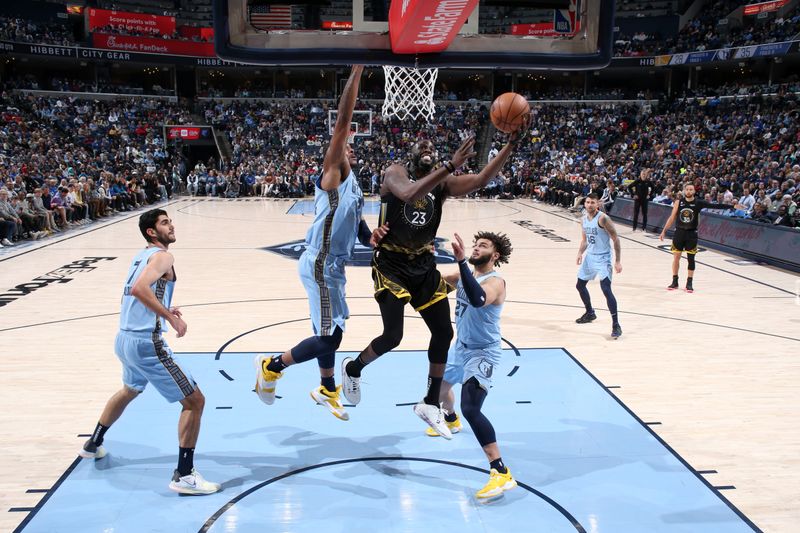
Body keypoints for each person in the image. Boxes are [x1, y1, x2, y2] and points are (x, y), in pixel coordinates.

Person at [341, 118, 530, 438]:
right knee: (393, 336)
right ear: (412, 155)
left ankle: (430, 402)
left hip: (423, 267)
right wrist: (448, 165)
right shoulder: (396, 172)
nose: (428, 150)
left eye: (433, 148)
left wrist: (511, 144)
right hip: (391, 265)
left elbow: (482, 178)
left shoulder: (443, 183)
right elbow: (410, 192)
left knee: (443, 333)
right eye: (423, 147)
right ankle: (353, 368)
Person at [254, 65, 387, 421]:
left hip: (333, 265)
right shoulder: (332, 172)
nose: (345, 146)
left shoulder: (353, 183)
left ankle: (327, 387)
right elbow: (343, 122)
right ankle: (271, 366)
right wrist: (356, 74)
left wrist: (369, 237)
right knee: (330, 340)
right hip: (319, 262)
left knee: (329, 328)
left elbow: (356, 221)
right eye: (342, 144)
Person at [79, 209, 221, 495]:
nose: (171, 225)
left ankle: (93, 443)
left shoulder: (141, 255)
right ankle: (184, 475)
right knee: (194, 401)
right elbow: (138, 289)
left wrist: (165, 308)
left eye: (170, 220)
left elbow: (143, 290)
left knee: (129, 389)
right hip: (147, 343)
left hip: (124, 339)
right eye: (165, 223)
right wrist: (171, 318)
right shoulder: (163, 256)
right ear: (152, 232)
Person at [427, 231, 517, 499]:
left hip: (483, 353)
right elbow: (434, 283)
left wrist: (461, 261)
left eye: (483, 246)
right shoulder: (466, 277)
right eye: (475, 244)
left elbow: (478, 299)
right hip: (461, 348)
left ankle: (500, 471)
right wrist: (422, 260)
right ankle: (451, 420)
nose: (477, 248)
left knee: (471, 407)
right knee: (440, 390)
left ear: (495, 255)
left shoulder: (496, 282)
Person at [659, 183, 738, 292]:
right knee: (676, 258)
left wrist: (732, 206)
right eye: (687, 189)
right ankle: (675, 281)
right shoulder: (679, 202)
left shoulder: (698, 203)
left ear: (694, 191)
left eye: (691, 189)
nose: (689, 191)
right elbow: (672, 217)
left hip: (691, 234)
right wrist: (664, 231)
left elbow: (715, 206)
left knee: (691, 259)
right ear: (684, 191)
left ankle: (689, 282)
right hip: (679, 233)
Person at [575, 193, 623, 338]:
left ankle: (616, 325)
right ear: (585, 204)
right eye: (588, 202)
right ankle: (590, 313)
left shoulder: (603, 218)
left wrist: (618, 261)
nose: (589, 204)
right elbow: (584, 240)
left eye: (592, 202)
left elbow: (616, 239)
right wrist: (579, 253)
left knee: (606, 290)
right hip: (590, 257)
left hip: (603, 258)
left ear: (598, 204)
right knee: (580, 285)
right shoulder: (583, 220)